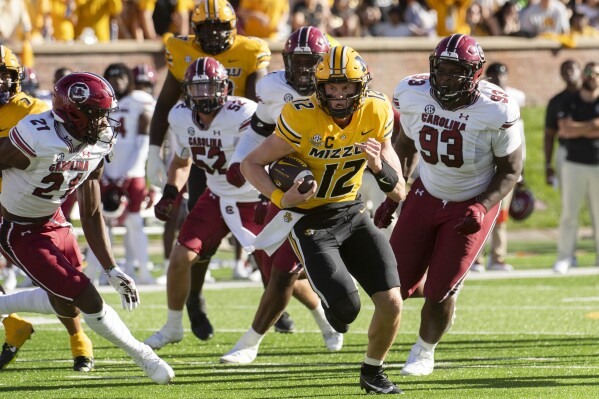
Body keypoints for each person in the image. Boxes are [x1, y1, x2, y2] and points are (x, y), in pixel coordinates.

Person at [242, 45, 406, 394]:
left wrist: (378, 167)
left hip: (353, 210)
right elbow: (251, 163)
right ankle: (334, 311)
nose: (339, 94)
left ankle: (373, 371)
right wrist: (278, 197)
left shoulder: (377, 111)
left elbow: (399, 191)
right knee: (346, 312)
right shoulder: (300, 115)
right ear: (319, 86)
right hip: (309, 219)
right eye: (331, 86)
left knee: (392, 300)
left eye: (347, 86)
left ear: (361, 86)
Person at [0, 71, 174, 384]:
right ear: (73, 113)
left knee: (65, 302)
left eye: (105, 114)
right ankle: (143, 356)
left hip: (54, 219)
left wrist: (112, 268)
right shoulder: (37, 135)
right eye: (96, 115)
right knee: (87, 296)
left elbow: (91, 211)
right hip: (19, 228)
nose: (104, 122)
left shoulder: (100, 140)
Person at [375, 34, 521, 376]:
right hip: (426, 193)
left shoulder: (497, 108)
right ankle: (444, 273)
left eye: (456, 71)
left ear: (475, 74)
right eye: (441, 69)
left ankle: (424, 350)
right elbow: (405, 145)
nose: (445, 78)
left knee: (440, 291)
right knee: (394, 282)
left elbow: (511, 170)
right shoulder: (412, 92)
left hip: (470, 202)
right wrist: (394, 194)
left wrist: (483, 206)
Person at [146, 0, 271, 342]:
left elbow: (259, 114)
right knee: (201, 240)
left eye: (220, 27)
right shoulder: (180, 49)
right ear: (195, 30)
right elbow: (165, 102)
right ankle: (194, 301)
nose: (214, 33)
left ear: (234, 29)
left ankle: (277, 302)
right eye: (206, 28)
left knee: (266, 243)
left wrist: (248, 158)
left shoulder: (250, 51)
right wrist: (154, 151)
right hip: (208, 156)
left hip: (247, 152)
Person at [219, 26, 343, 365]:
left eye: (310, 62)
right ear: (286, 61)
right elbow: (258, 130)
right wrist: (240, 162)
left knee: (291, 271)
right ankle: (325, 324)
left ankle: (251, 341)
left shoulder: (338, 89)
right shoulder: (273, 88)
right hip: (291, 186)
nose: (303, 69)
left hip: (333, 190)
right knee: (278, 267)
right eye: (297, 61)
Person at [0, 47, 95, 373]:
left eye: (3, 74)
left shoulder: (33, 111)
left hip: (27, 205)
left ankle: (78, 337)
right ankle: (13, 324)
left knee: (59, 279)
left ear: (16, 79)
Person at [472, 62, 527, 272]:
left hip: (508, 165)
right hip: (486, 166)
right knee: (480, 212)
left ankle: (498, 257)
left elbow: (519, 141)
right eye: (494, 75)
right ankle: (477, 258)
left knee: (501, 216)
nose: (499, 79)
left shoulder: (514, 100)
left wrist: (520, 172)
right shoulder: (482, 99)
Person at [552, 62, 599, 274]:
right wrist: (592, 126)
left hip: (597, 162)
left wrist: (579, 128)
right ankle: (565, 256)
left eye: (597, 73)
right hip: (574, 163)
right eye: (590, 72)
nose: (593, 77)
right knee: (569, 213)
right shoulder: (569, 101)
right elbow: (565, 131)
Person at [545, 60, 582, 189]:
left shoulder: (592, 97)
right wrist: (548, 165)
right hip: (567, 152)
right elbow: (549, 135)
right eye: (565, 69)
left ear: (580, 71)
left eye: (572, 68)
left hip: (592, 151)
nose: (569, 72)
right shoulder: (556, 101)